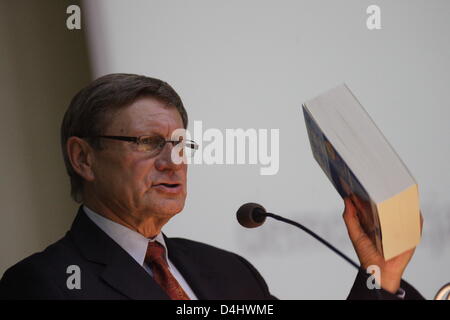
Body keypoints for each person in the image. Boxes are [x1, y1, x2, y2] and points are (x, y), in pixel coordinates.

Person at [0, 74, 424, 300]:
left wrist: (380, 274)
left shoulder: (226, 271)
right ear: (83, 159)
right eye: (148, 143)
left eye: (181, 143)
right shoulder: (43, 284)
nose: (173, 161)